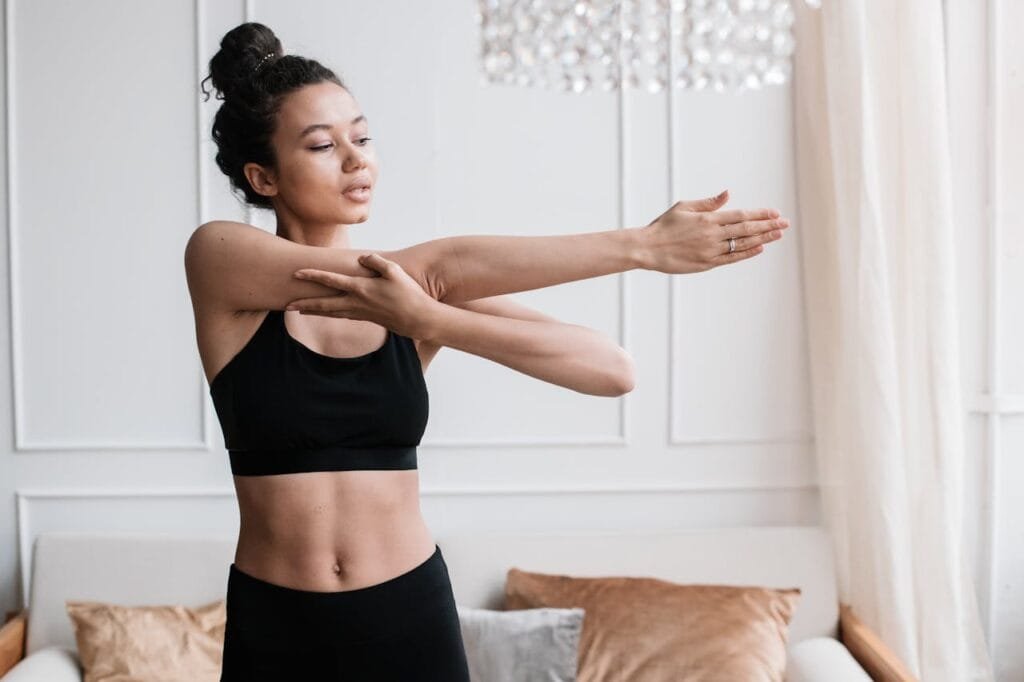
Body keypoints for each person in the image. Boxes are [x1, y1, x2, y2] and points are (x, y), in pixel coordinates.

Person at [185, 21, 789, 682]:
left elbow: (613, 370)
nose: (357, 160)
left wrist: (432, 321)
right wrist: (638, 247)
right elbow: (441, 265)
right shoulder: (220, 260)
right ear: (261, 176)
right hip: (277, 629)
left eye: (362, 137)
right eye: (324, 145)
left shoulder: (416, 296)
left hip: (408, 617)